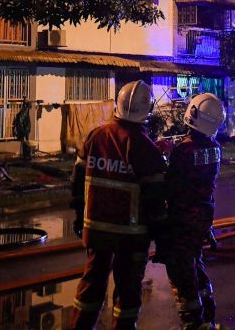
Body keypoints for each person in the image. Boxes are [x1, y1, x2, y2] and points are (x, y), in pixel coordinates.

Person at [70, 81, 167, 329]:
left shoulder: (94, 137)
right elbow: (156, 198)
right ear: (147, 110)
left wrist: (79, 216)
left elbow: (77, 182)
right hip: (131, 237)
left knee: (91, 284)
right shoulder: (145, 148)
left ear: (118, 105)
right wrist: (160, 232)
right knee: (127, 291)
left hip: (97, 231)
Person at [156, 93, 226, 329]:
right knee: (195, 265)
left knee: (182, 273)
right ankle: (208, 313)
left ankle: (193, 322)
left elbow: (169, 185)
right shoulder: (215, 149)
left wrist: (162, 155)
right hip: (201, 221)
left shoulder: (183, 152)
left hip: (181, 222)